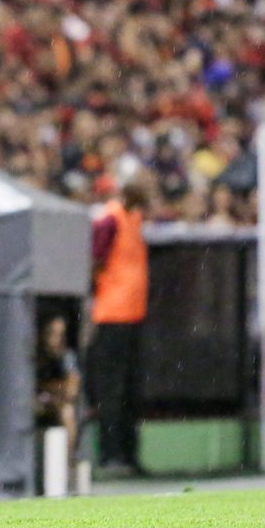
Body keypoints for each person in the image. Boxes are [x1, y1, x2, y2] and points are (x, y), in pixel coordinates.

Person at [86, 178, 150, 477]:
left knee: (129, 389)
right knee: (112, 389)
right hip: (112, 315)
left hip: (132, 314)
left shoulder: (132, 218)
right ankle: (112, 454)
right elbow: (96, 260)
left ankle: (128, 454)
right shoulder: (109, 219)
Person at [35, 314, 81, 469]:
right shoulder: (34, 354)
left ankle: (67, 463)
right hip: (34, 402)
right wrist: (54, 387)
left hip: (56, 402)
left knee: (68, 412)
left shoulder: (66, 356)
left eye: (61, 335)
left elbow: (72, 389)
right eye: (53, 333)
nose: (58, 339)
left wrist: (49, 388)